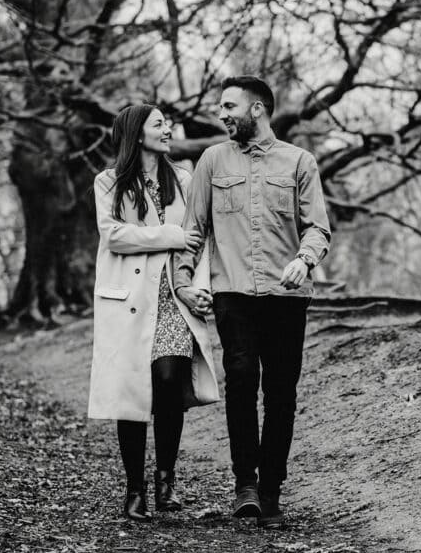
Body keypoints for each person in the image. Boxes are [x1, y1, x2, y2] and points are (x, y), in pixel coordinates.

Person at [173, 75, 331, 528]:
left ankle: (271, 490)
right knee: (241, 378)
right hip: (233, 293)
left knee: (281, 393)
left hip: (287, 296)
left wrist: (305, 259)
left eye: (229, 106)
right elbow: (193, 230)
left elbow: (317, 227)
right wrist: (184, 281)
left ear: (257, 109)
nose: (222, 115)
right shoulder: (211, 160)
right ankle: (245, 484)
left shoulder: (300, 162)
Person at [88, 104, 221, 522]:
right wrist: (172, 235)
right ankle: (134, 490)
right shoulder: (109, 182)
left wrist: (198, 287)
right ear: (135, 132)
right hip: (128, 301)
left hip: (172, 299)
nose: (168, 129)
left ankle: (166, 482)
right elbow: (114, 235)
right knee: (132, 394)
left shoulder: (183, 179)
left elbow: (199, 238)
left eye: (168, 123)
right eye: (159, 123)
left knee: (168, 381)